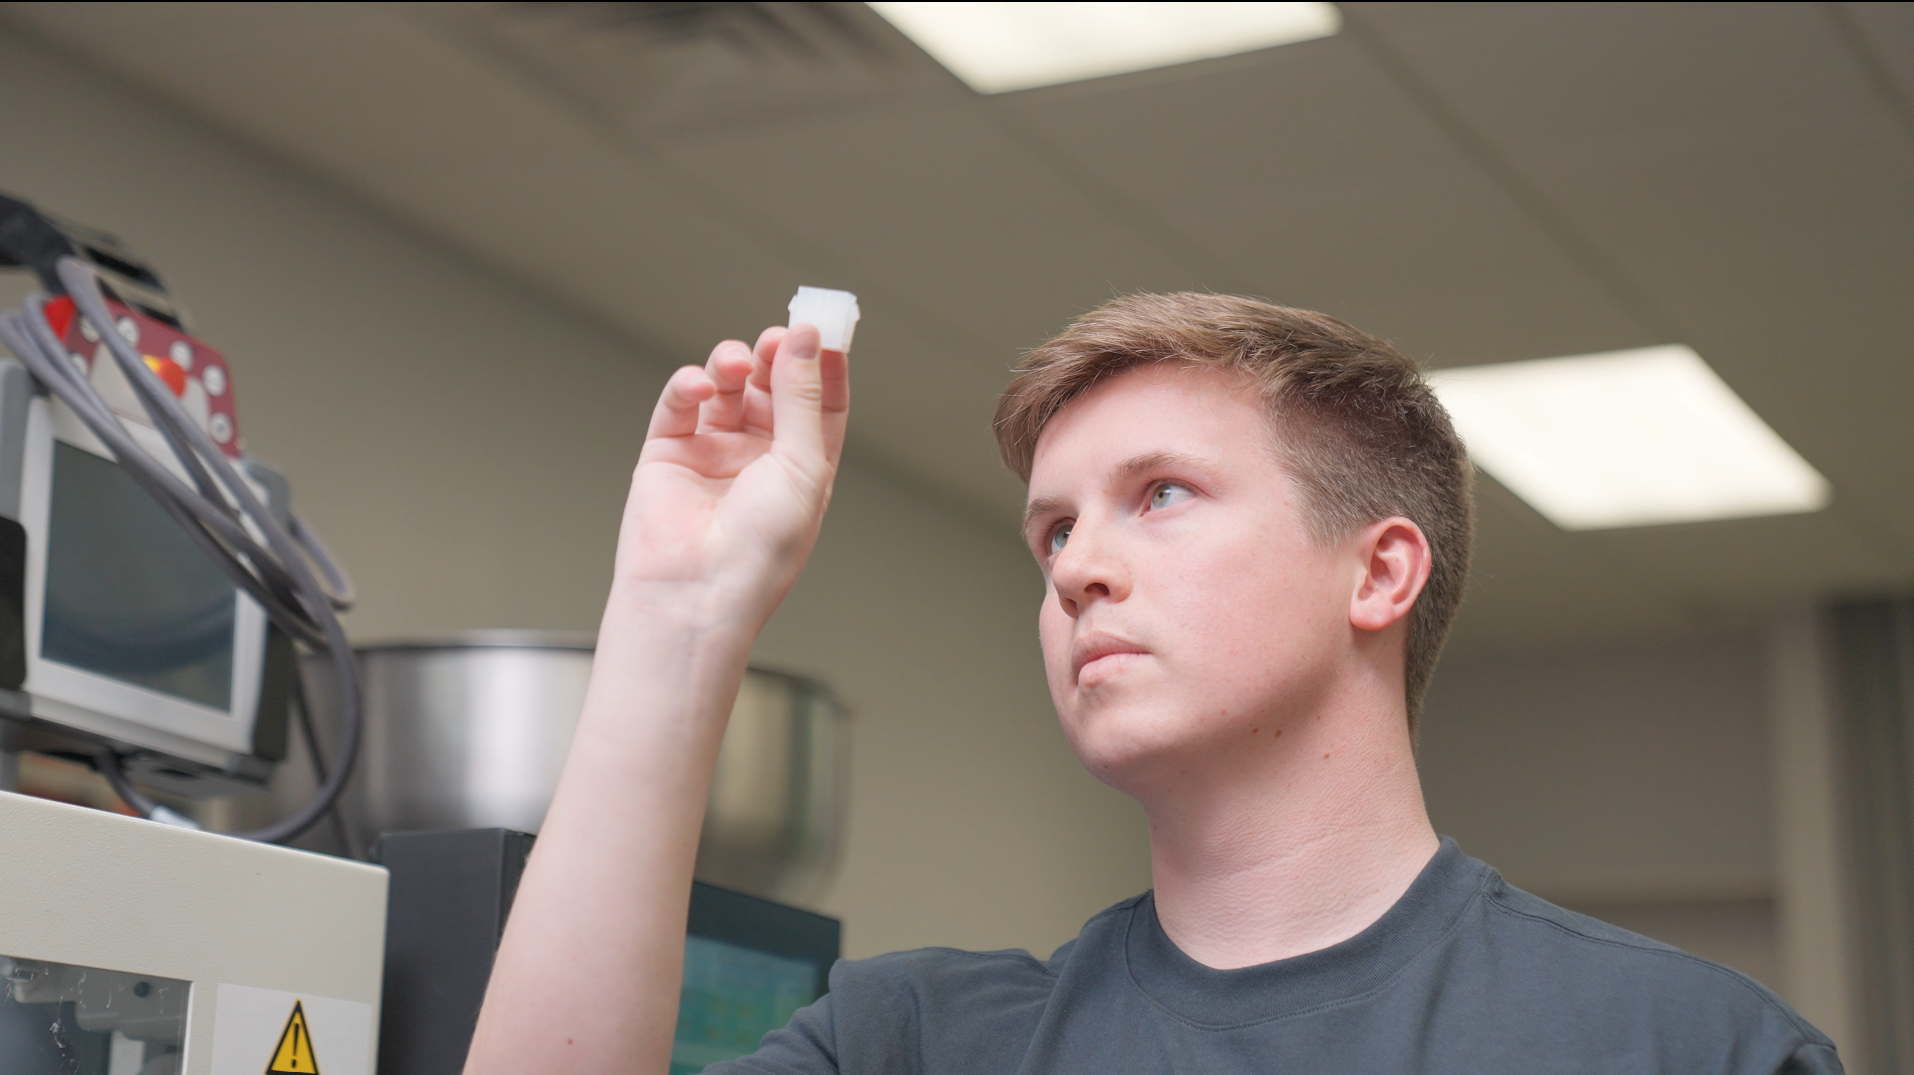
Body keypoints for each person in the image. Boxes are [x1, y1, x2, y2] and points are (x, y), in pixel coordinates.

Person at [465, 294, 1840, 1074]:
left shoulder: (1679, 1047)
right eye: (1053, 529)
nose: (1076, 569)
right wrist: (678, 607)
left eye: (1160, 496)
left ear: (1377, 575)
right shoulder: (920, 1043)